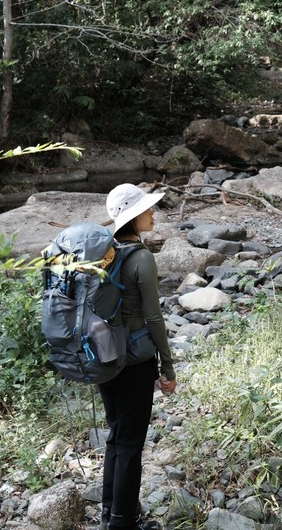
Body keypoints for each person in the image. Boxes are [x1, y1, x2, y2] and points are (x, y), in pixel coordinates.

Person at [98, 183, 177, 530]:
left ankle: (110, 513)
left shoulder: (105, 252)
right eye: (146, 210)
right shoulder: (141, 258)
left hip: (103, 357)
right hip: (134, 362)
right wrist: (168, 366)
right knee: (130, 443)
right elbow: (154, 318)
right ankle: (122, 523)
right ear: (132, 218)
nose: (152, 213)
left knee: (117, 436)